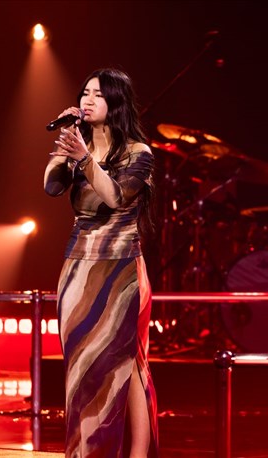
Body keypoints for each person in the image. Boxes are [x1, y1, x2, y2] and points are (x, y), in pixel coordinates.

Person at [44, 68, 158, 458]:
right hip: (78, 267)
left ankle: (137, 454)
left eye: (98, 94)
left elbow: (115, 197)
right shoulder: (78, 147)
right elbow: (51, 186)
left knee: (125, 365)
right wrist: (66, 147)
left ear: (116, 102)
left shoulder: (139, 153)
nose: (88, 100)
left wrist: (86, 159)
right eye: (85, 93)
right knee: (80, 368)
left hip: (121, 271)